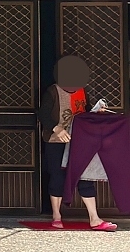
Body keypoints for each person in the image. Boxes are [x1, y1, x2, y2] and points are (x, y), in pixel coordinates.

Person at [37, 55, 117, 231]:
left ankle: (94, 219)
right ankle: (56, 216)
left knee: (85, 176)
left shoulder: (82, 90)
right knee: (57, 176)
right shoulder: (53, 91)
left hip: (80, 141)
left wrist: (97, 112)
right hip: (56, 141)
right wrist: (57, 128)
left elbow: (86, 111)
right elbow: (42, 114)